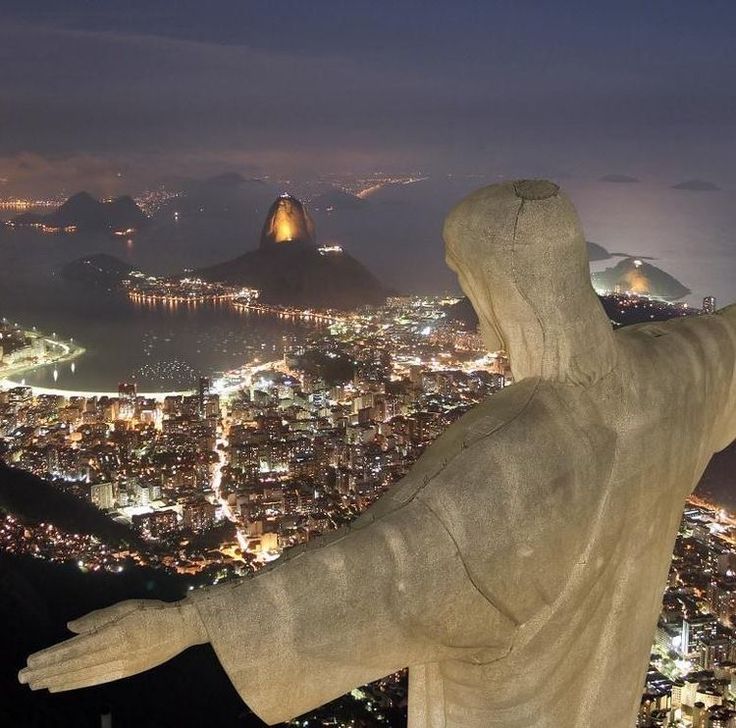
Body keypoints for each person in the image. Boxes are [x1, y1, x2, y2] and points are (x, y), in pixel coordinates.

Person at [20, 180, 736, 728]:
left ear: (490, 284)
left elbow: (377, 568)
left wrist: (187, 624)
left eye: (463, 277)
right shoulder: (675, 377)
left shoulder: (507, 459)